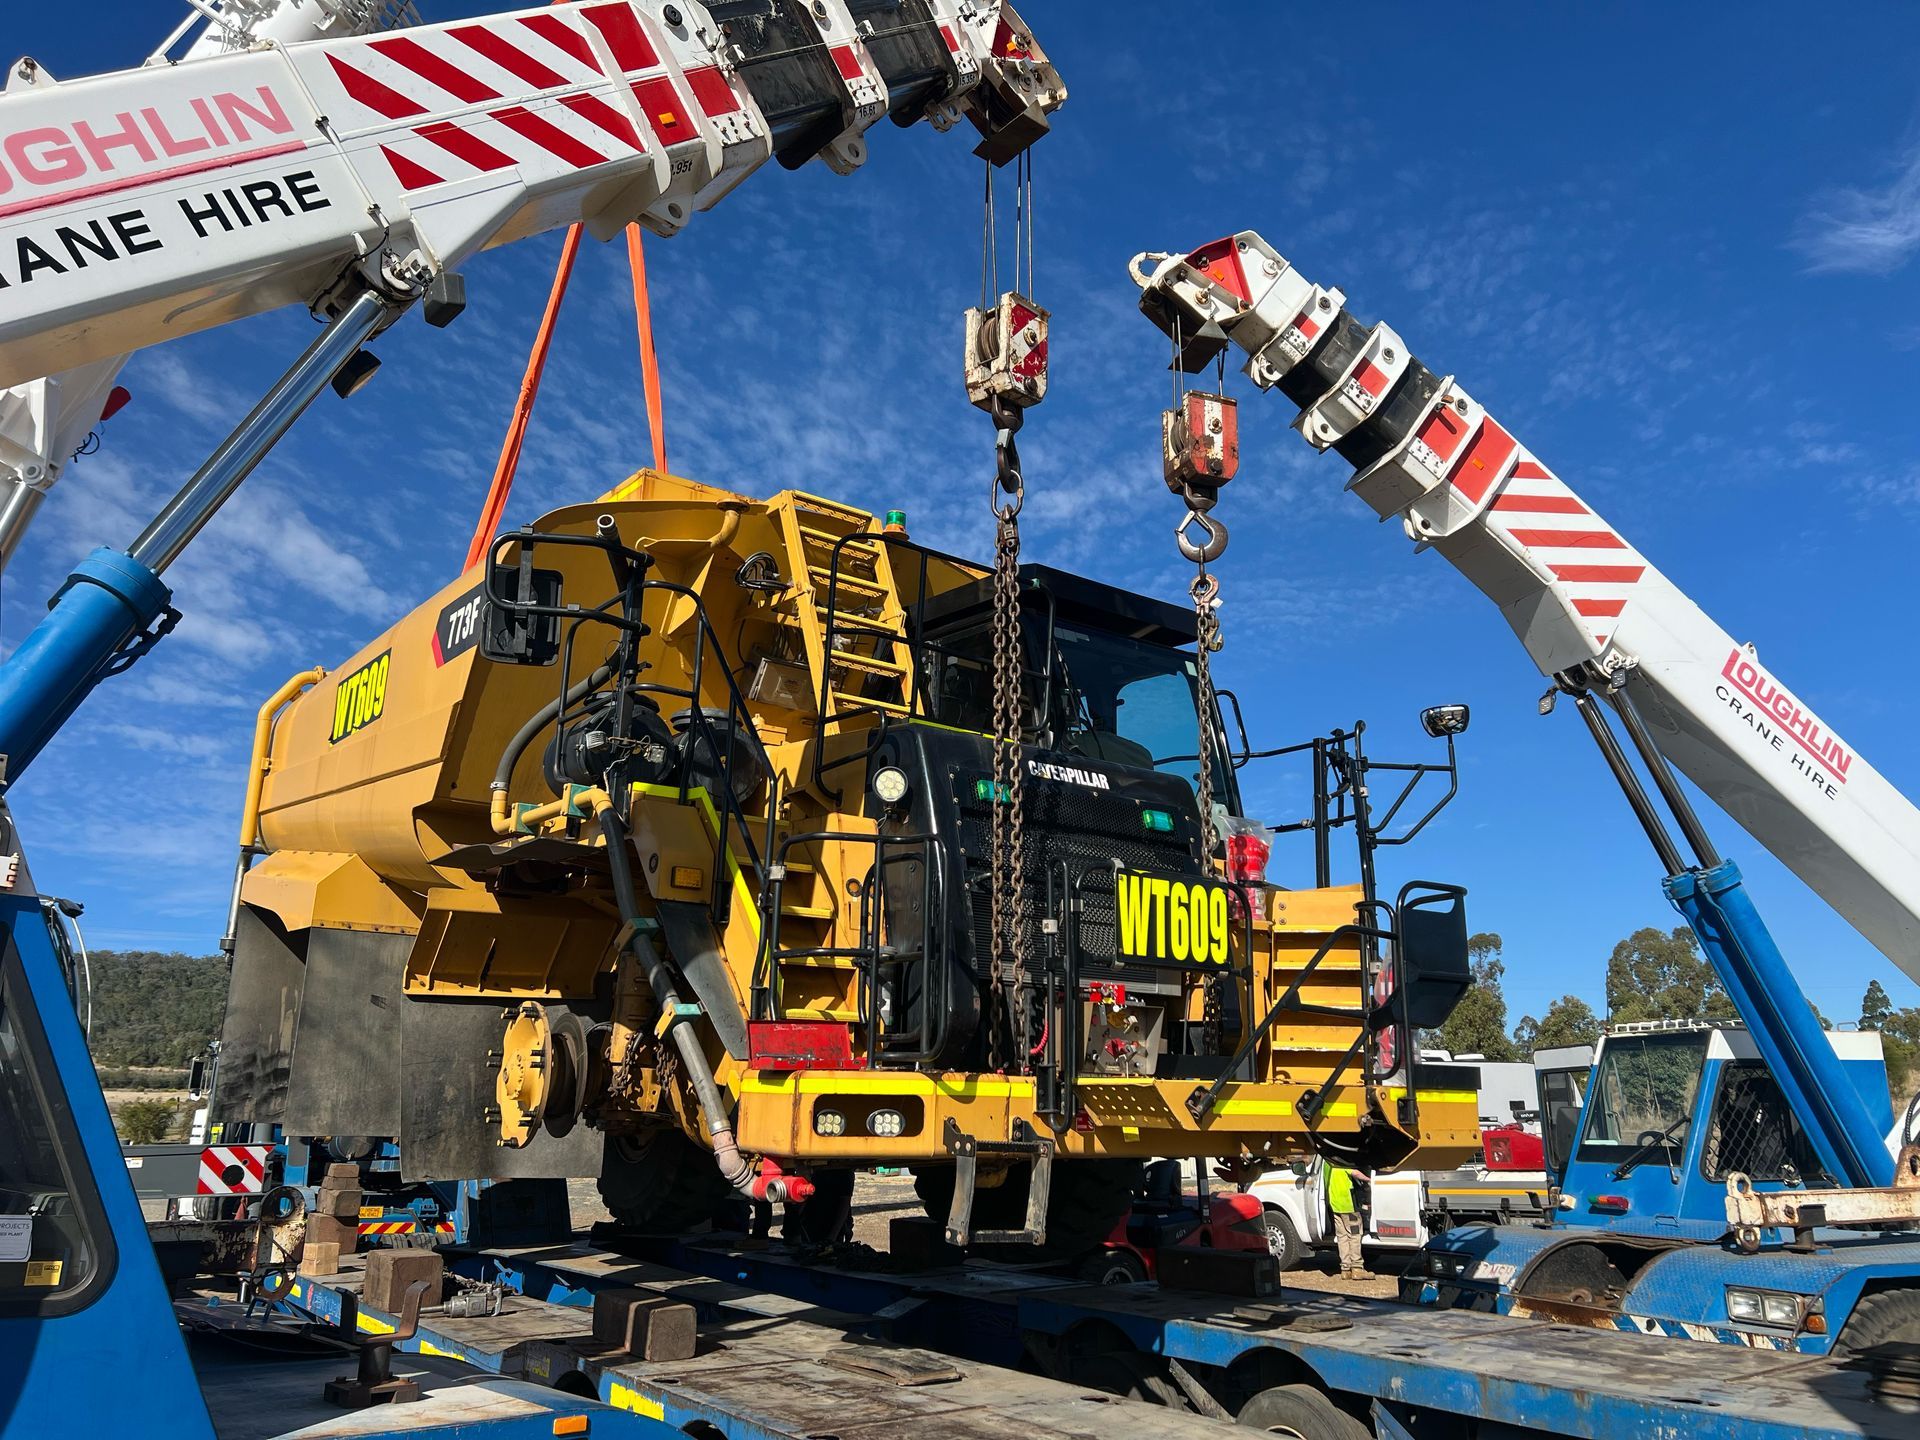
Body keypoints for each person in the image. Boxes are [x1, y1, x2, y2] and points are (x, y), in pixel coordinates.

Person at [1327, 1161, 1365, 1280]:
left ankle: (1345, 1269)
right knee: (1354, 1235)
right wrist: (1370, 1180)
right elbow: (1356, 1173)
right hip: (1348, 1207)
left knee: (1342, 1237)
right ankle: (1357, 1269)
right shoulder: (1342, 1163)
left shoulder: (1327, 1165)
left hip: (1335, 1206)